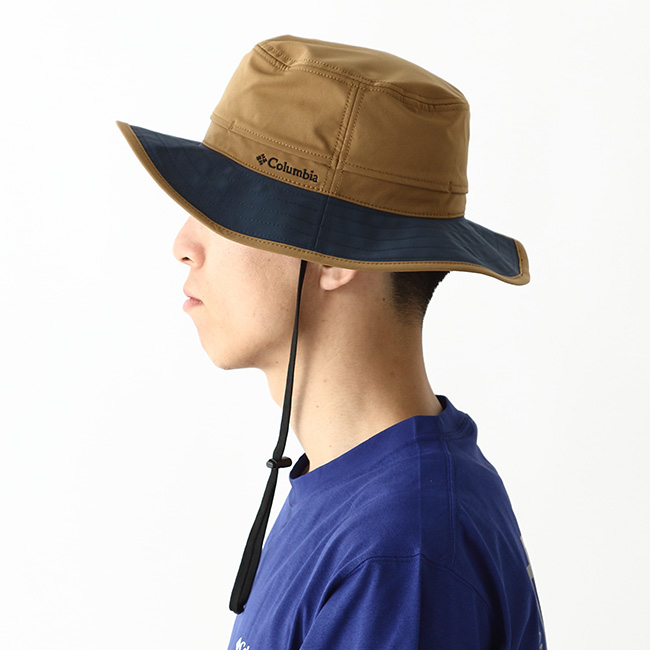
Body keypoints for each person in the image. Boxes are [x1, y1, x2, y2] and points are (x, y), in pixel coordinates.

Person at [117, 35, 547, 649]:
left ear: (336, 255)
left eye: (224, 209)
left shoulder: (398, 555)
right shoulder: (353, 491)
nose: (183, 245)